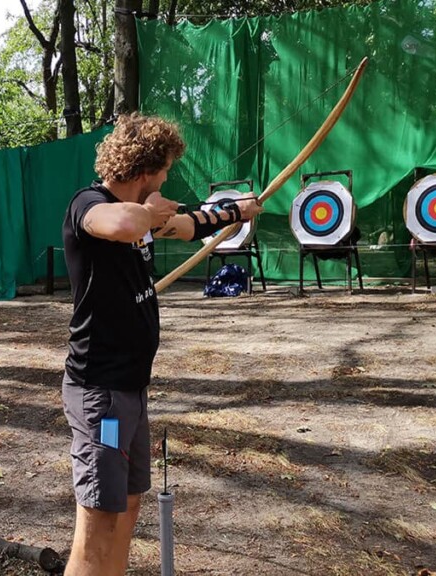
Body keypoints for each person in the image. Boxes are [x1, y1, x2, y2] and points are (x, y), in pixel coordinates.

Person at [60, 113, 262, 575]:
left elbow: (189, 225)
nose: (168, 178)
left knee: (128, 504)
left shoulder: (145, 216)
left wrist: (235, 212)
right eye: (166, 169)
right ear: (146, 170)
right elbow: (122, 223)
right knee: (99, 519)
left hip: (130, 391)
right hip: (102, 397)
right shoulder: (89, 204)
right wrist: (150, 214)